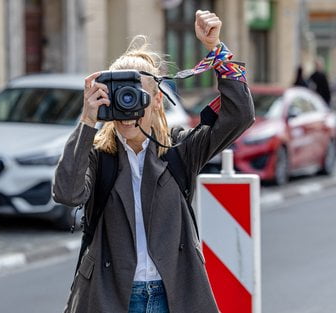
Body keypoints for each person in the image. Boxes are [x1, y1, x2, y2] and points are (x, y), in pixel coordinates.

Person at [53, 10, 254, 313]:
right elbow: (67, 194)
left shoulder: (179, 149)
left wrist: (217, 49)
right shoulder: (97, 155)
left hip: (172, 295)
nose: (127, 108)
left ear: (157, 100)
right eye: (117, 98)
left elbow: (240, 116)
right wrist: (86, 121)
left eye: (135, 96)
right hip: (110, 297)